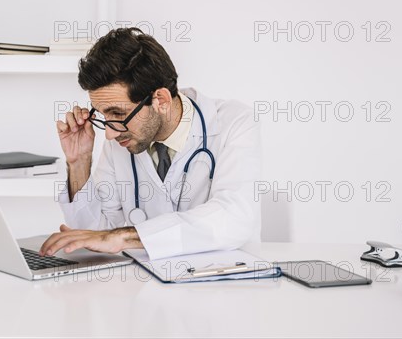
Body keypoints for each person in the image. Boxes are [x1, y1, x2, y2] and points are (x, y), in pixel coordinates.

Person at [39, 27, 261, 260]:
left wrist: (124, 237)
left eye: (117, 113)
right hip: (146, 288)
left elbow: (234, 217)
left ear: (161, 100)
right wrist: (79, 162)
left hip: (224, 285)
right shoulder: (121, 136)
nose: (110, 135)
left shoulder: (234, 123)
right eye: (105, 116)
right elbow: (94, 237)